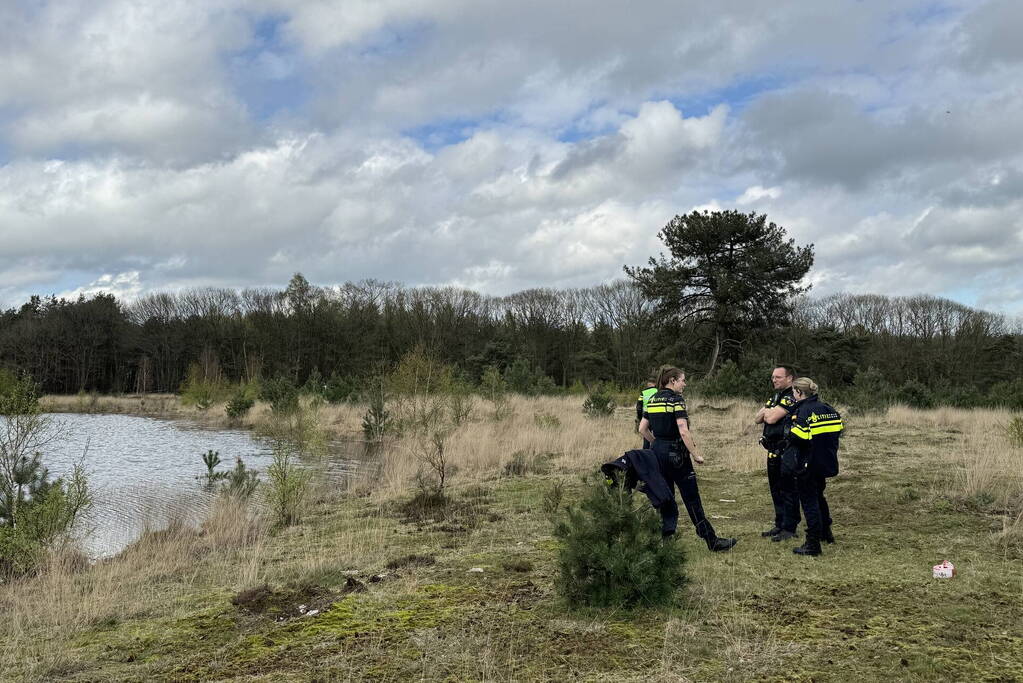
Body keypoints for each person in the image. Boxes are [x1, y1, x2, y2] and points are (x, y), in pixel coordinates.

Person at [637, 366, 737, 552]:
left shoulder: (652, 400)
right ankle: (711, 540)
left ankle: (667, 543)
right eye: (683, 380)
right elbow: (683, 430)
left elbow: (642, 429)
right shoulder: (676, 399)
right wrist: (695, 454)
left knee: (666, 498)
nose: (685, 384)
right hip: (677, 456)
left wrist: (656, 443)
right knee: (692, 499)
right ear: (673, 381)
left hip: (657, 454)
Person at [783, 377, 844, 556]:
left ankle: (813, 543)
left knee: (810, 502)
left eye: (794, 392)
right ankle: (826, 532)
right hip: (825, 461)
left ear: (799, 392)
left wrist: (789, 431)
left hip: (807, 464)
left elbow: (798, 437)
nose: (793, 395)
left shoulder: (803, 411)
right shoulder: (828, 409)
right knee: (819, 497)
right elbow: (839, 430)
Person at [754, 366, 801, 541]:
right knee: (776, 489)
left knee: (788, 490)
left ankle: (790, 527)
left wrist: (768, 411)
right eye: (773, 377)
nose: (774, 380)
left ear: (790, 378)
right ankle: (780, 523)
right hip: (772, 449)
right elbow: (757, 419)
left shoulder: (791, 396)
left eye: (778, 377)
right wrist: (769, 411)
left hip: (786, 450)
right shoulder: (776, 396)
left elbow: (771, 418)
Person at [636, 374, 659, 449]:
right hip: (657, 415)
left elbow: (639, 407)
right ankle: (656, 450)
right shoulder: (658, 391)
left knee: (646, 437)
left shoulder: (643, 392)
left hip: (646, 416)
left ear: (648, 384)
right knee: (657, 435)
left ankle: (645, 453)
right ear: (655, 384)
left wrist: (640, 418)